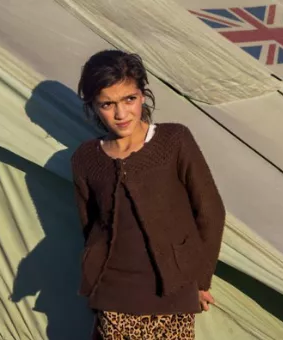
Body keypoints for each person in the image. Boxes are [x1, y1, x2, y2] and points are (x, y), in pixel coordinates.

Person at [71, 49, 226, 340]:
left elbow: (210, 211)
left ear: (142, 95)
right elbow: (89, 225)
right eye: (107, 104)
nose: (121, 113)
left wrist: (201, 280)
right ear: (93, 105)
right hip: (114, 295)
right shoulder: (85, 159)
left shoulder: (174, 140)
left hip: (175, 292)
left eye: (129, 99)